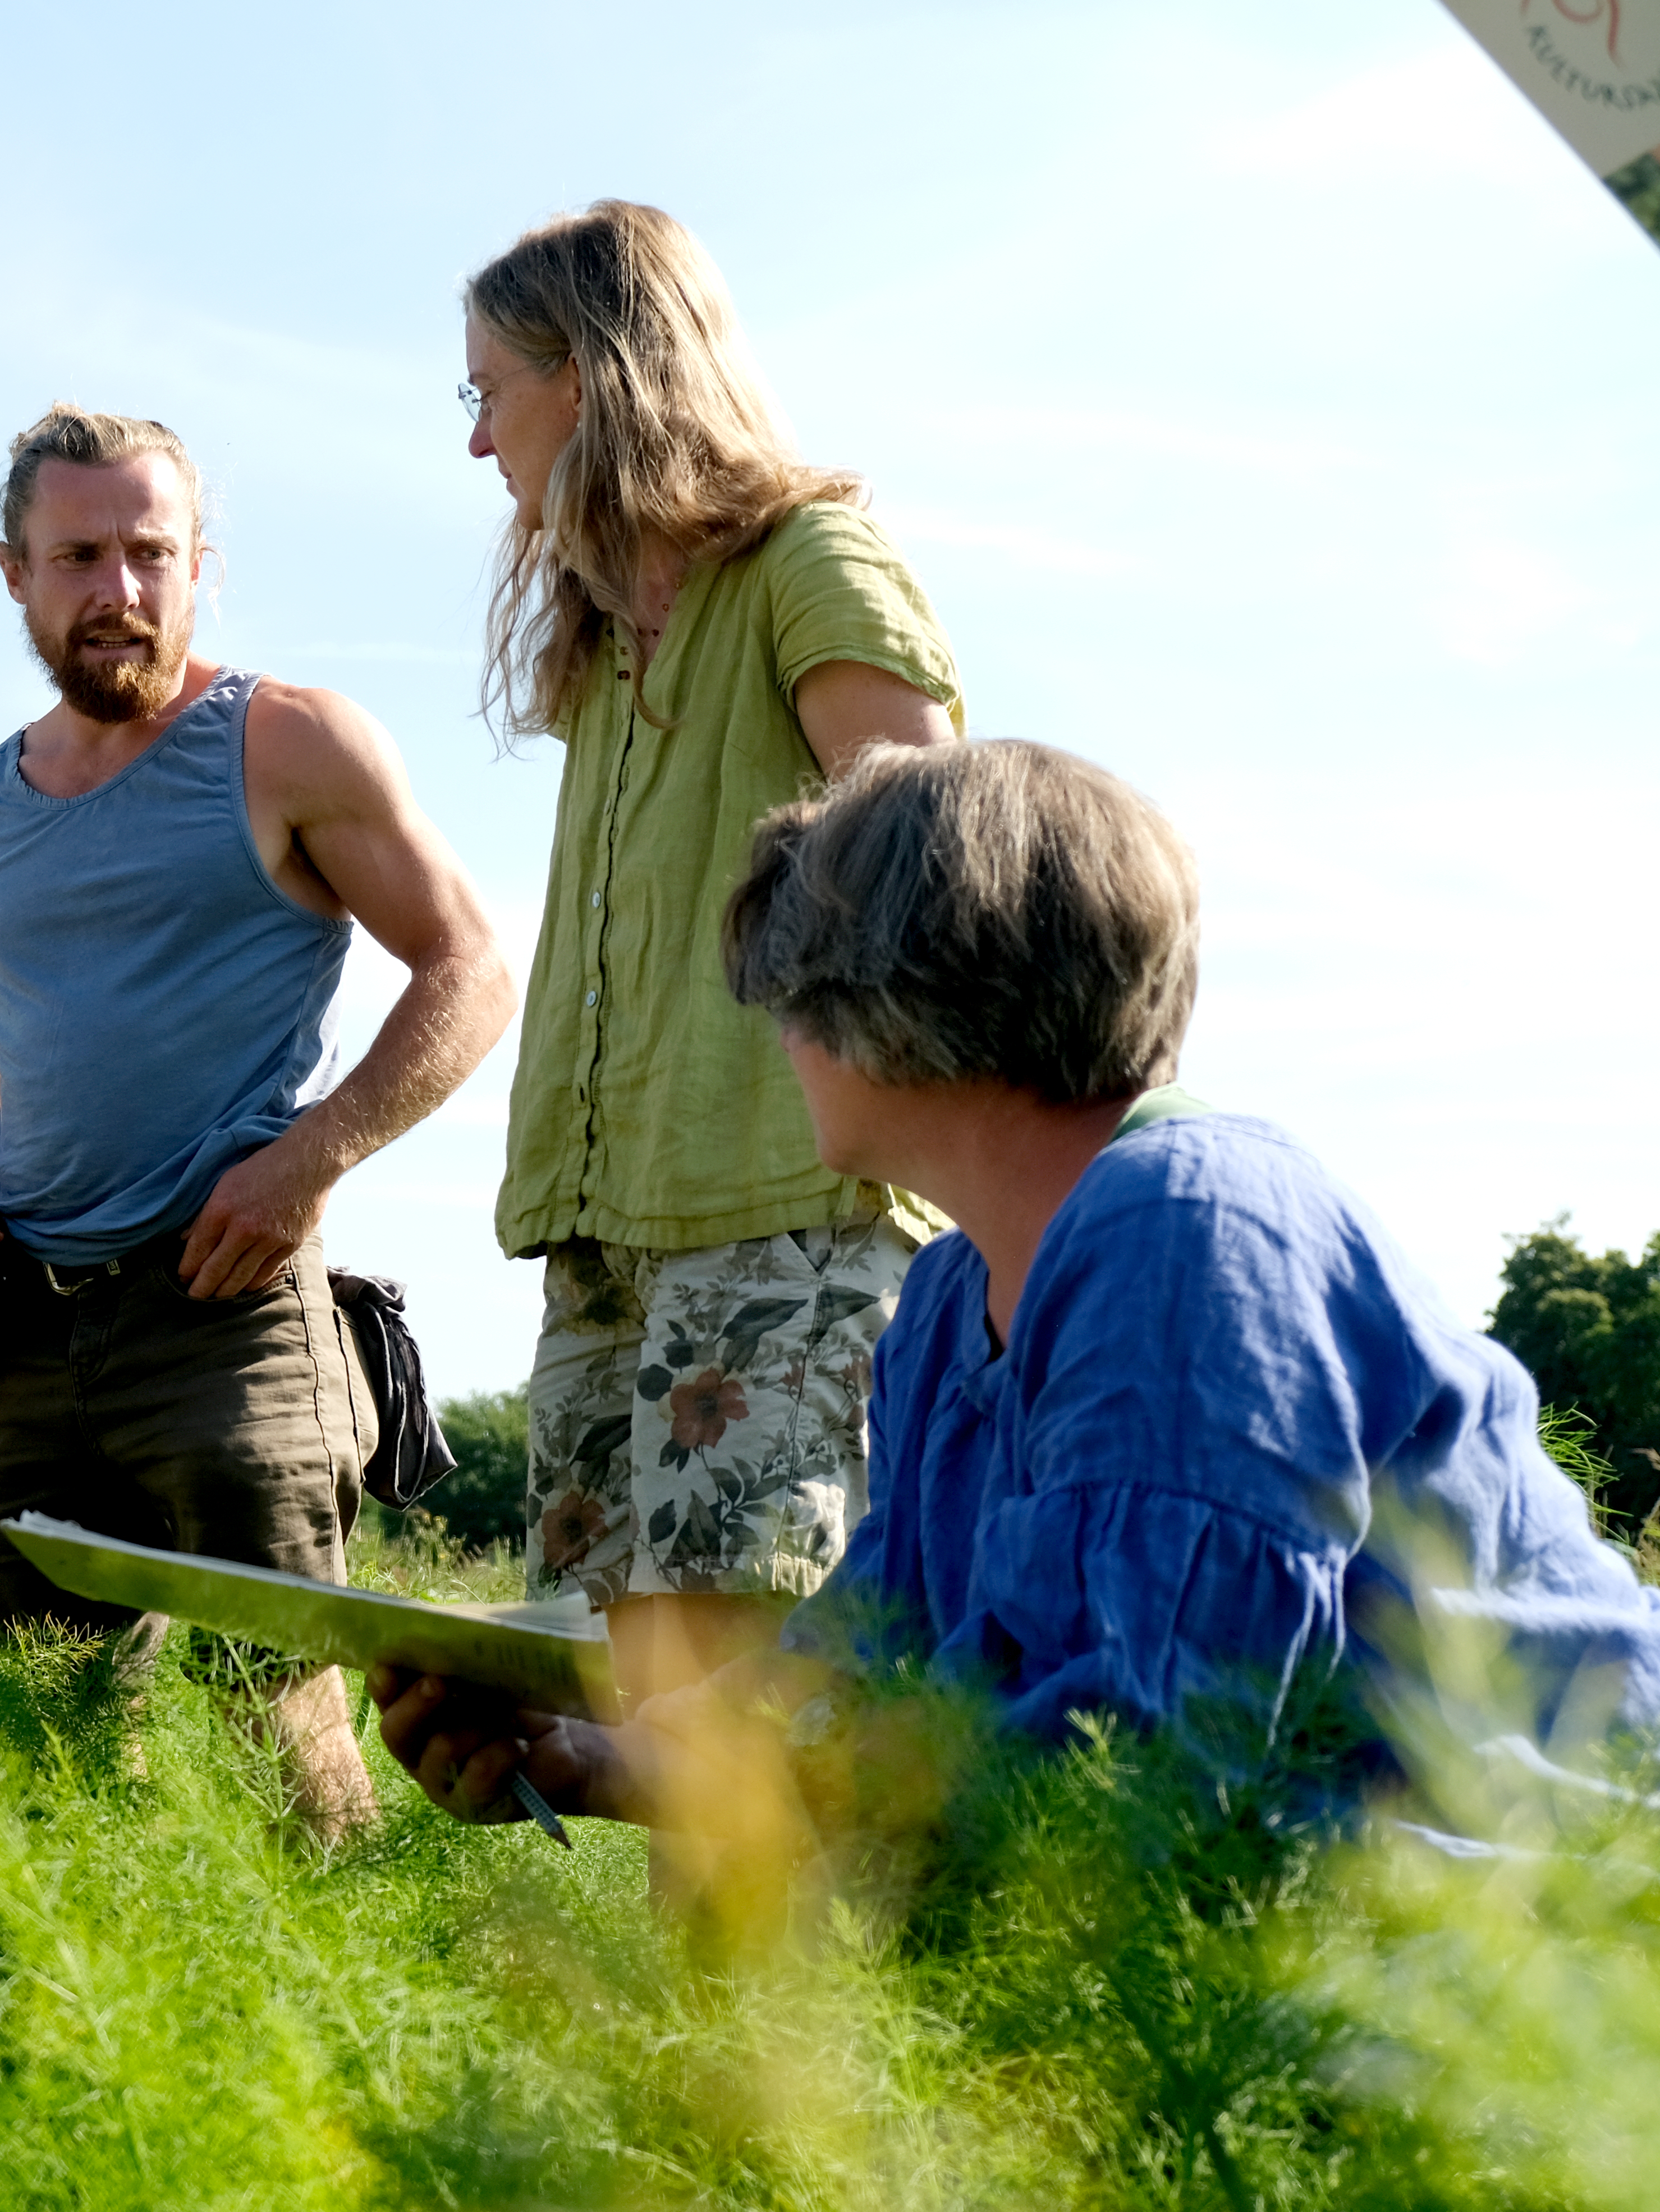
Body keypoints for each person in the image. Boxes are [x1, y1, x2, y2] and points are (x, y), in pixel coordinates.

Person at [373, 741, 1660, 1867]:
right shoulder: (940, 1305)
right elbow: (860, 1666)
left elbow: (1158, 1767)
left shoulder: (1187, 1231)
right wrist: (597, 1758)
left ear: (898, 1000)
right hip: (1417, 1962)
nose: (778, 1033)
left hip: (1636, 1919)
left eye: (791, 988)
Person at [0, 404, 516, 1838]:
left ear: (199, 564)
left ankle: (350, 2039)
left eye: (149, 553)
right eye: (78, 556)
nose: (117, 590)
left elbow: (471, 966)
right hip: (30, 1332)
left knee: (281, 1729)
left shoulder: (287, 743)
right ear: (15, 574)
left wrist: (310, 1161)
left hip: (227, 1308)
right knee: (19, 1757)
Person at [462, 200, 966, 1710]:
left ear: (598, 375)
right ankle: (705, 1969)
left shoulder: (808, 559)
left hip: (785, 1208)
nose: (478, 444)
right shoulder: (605, 647)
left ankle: (791, 1967)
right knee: (638, 1706)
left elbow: (929, 877)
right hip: (605, 1222)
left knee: (748, 1705)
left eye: (490, 391)